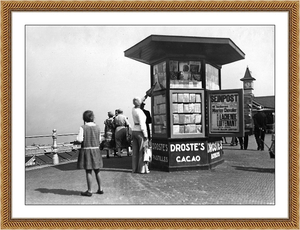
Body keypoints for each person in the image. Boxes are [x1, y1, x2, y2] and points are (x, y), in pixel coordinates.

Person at [76, 110, 103, 197]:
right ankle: (100, 188)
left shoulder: (83, 127)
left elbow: (79, 140)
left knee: (88, 171)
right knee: (97, 170)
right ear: (93, 117)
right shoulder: (98, 127)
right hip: (96, 150)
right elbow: (99, 140)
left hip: (87, 150)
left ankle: (90, 190)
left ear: (84, 118)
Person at [132, 96, 149, 174]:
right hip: (140, 131)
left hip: (134, 130)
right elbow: (142, 125)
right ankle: (141, 169)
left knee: (135, 152)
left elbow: (139, 101)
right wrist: (145, 135)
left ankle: (134, 168)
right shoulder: (140, 112)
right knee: (142, 151)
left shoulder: (133, 109)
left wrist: (145, 96)